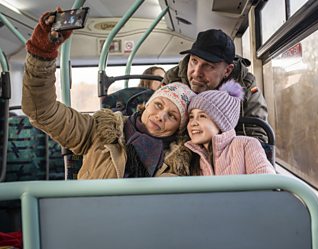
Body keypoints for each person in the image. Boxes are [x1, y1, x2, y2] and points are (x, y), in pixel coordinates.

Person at [22, 11, 194, 179]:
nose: (161, 116)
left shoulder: (181, 162)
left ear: (179, 127)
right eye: (158, 105)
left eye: (172, 116)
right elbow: (42, 111)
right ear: (147, 103)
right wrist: (41, 55)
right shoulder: (100, 130)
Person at [162, 29, 269, 141]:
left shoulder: (245, 85)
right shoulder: (173, 79)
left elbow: (258, 134)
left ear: (227, 71)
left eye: (208, 66)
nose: (197, 73)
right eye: (194, 61)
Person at [185, 80, 275, 176]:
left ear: (221, 122)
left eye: (202, 116)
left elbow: (266, 179)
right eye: (191, 117)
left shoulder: (246, 145)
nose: (193, 123)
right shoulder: (190, 155)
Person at [101, 66, 166, 114]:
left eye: (164, 79)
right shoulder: (133, 97)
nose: (163, 82)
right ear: (148, 81)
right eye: (159, 78)